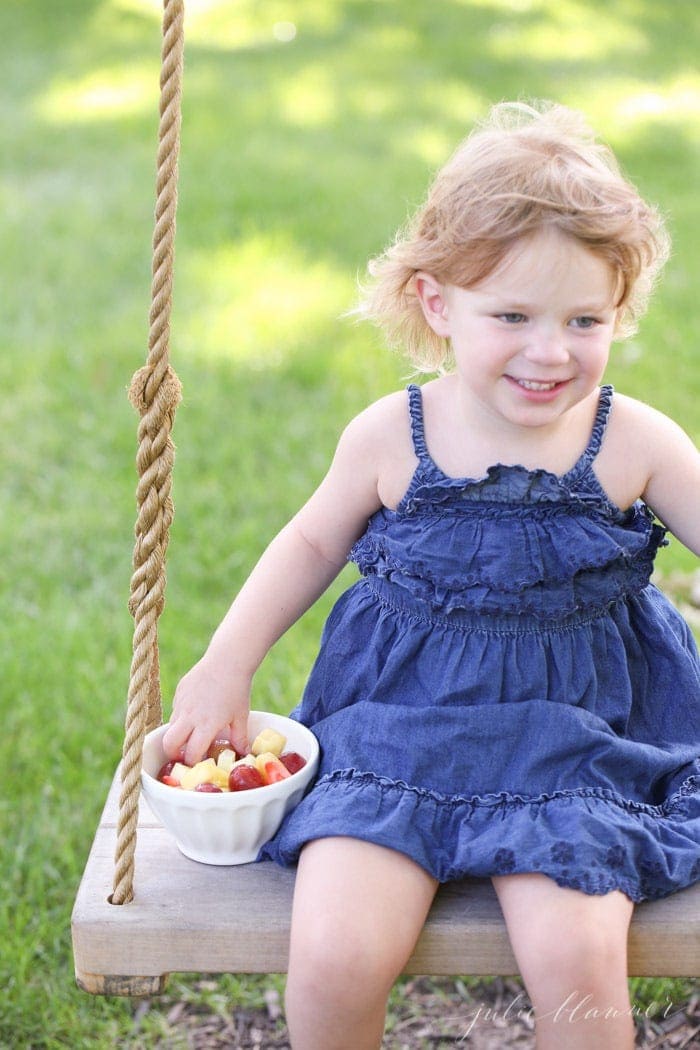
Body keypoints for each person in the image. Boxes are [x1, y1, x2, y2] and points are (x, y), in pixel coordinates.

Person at [162, 101, 700, 1050]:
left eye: (586, 318)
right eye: (513, 316)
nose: (551, 351)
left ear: (621, 310)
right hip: (396, 731)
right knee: (333, 953)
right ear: (436, 302)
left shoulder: (638, 442)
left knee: (578, 961)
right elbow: (309, 546)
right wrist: (224, 665)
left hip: (578, 745)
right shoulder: (389, 437)